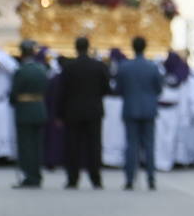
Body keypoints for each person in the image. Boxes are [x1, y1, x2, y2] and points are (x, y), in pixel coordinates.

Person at [58, 35, 111, 189]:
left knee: (73, 146)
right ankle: (96, 179)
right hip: (93, 111)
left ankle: (72, 179)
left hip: (73, 111)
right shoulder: (98, 66)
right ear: (88, 47)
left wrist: (60, 113)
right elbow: (106, 88)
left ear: (76, 48)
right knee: (94, 146)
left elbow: (63, 91)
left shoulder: (69, 67)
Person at [116, 35, 164, 190]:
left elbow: (119, 89)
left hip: (130, 108)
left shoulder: (124, 66)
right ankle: (151, 178)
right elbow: (158, 88)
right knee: (149, 145)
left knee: (131, 145)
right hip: (149, 109)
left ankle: (130, 179)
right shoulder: (152, 67)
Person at [10, 40, 49, 188]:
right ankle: (36, 174)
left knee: (26, 146)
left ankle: (30, 176)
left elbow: (14, 93)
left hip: (25, 111)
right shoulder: (41, 69)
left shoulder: (21, 71)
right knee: (37, 146)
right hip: (39, 109)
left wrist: (14, 101)